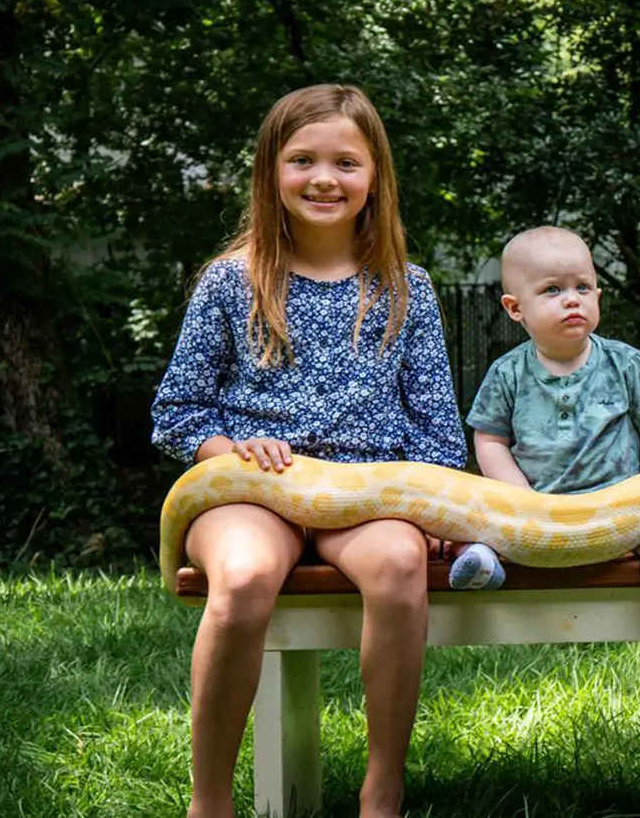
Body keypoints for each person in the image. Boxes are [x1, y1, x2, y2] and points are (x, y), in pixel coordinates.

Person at [151, 83, 466, 818]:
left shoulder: (406, 289)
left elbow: (438, 432)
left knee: (396, 563)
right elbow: (175, 411)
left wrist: (427, 506)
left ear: (374, 179)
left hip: (370, 493)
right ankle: (211, 802)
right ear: (271, 173)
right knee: (246, 577)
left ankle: (382, 792)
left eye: (345, 162)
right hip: (253, 488)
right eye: (302, 159)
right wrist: (228, 449)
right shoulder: (232, 281)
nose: (324, 177)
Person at [447, 225, 640, 590]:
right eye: (552, 290)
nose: (572, 299)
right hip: (535, 508)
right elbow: (490, 440)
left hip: (620, 505)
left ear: (598, 296)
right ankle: (480, 560)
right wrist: (520, 496)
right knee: (478, 524)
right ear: (515, 308)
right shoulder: (507, 372)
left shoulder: (626, 363)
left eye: (583, 287)